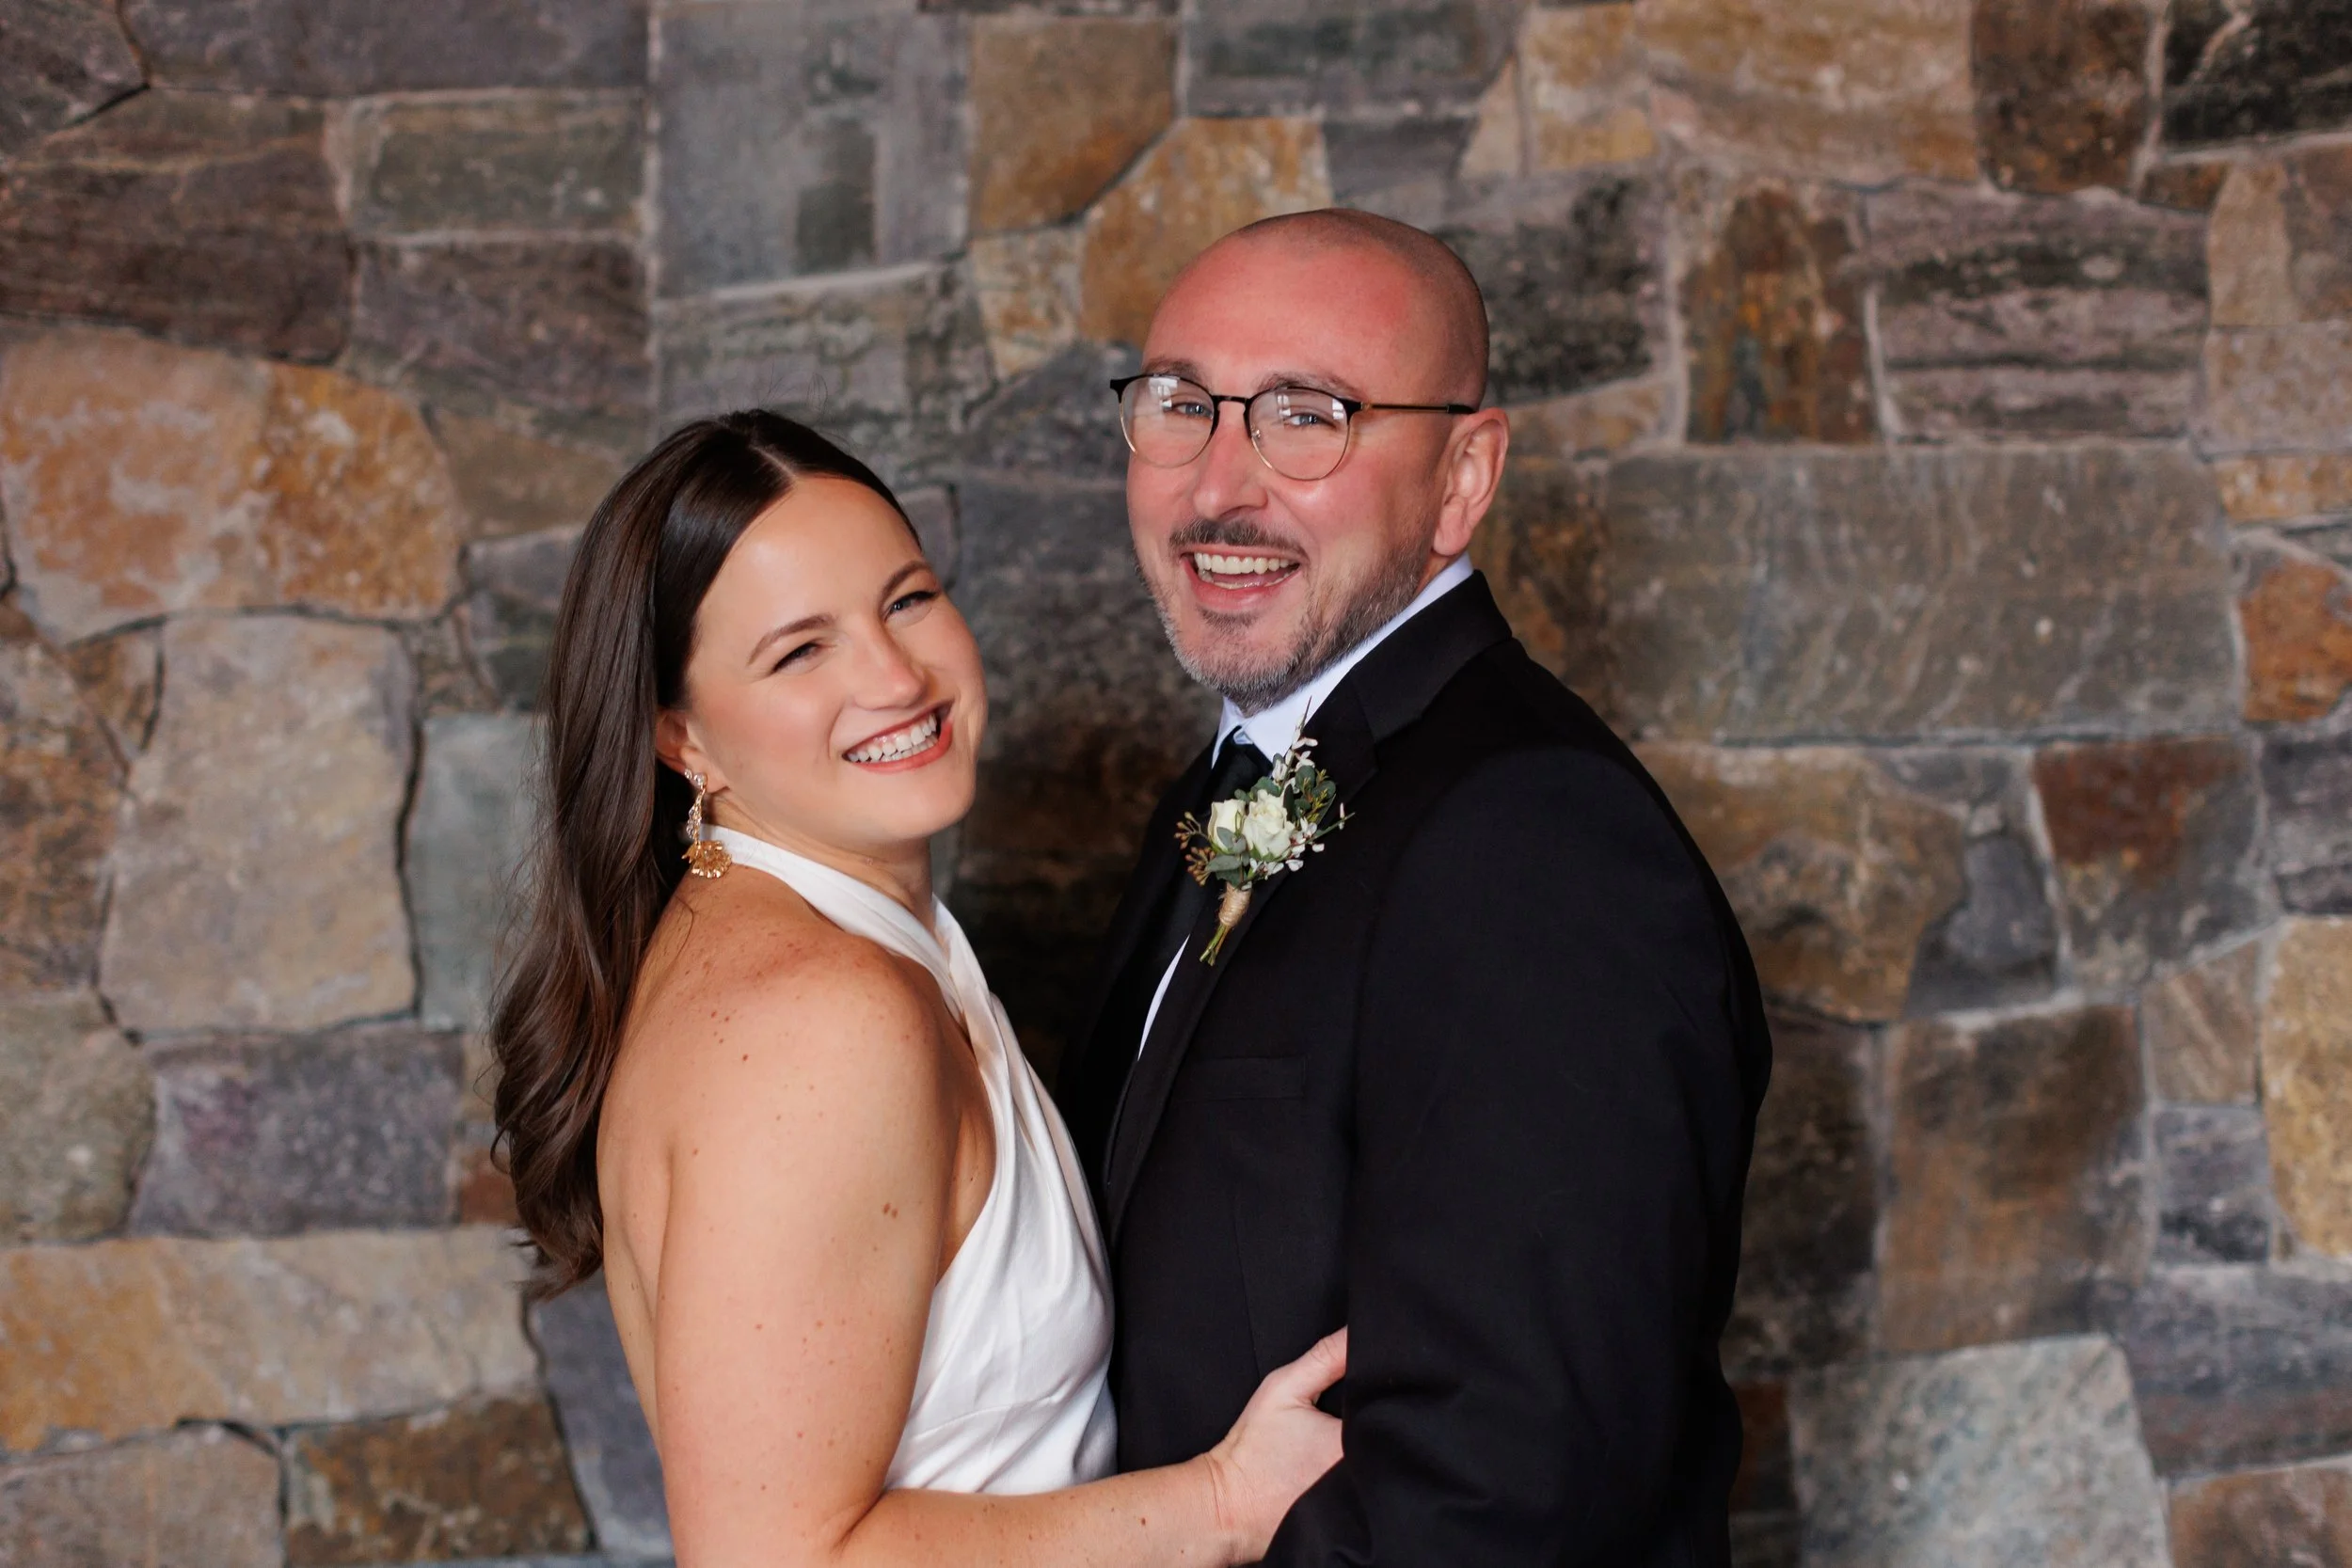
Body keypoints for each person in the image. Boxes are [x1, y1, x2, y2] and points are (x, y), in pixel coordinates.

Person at [487, 412, 1345, 1567]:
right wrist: (1226, 1504)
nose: (894, 677)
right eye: (800, 651)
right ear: (683, 736)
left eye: (906, 599)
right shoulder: (817, 1018)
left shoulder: (830, 936)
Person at [1054, 209, 1773, 1564]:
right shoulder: (1231, 788)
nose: (1220, 485)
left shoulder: (1539, 844)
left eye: (1306, 415)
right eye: (1180, 405)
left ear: (1461, 477)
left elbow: (1507, 1493)